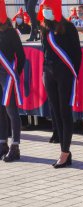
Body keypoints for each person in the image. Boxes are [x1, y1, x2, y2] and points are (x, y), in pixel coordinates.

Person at [38, 0, 82, 168]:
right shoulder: (43, 27)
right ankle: (65, 151)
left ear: (56, 8)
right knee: (55, 113)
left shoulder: (68, 27)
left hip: (65, 74)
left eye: (49, 8)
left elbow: (77, 54)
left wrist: (73, 74)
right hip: (49, 74)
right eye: (44, 9)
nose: (46, 11)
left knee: (65, 112)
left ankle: (65, 152)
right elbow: (45, 52)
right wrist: (44, 72)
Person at [0, 1, 26, 162]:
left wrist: (15, 75)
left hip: (7, 76)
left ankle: (15, 146)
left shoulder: (11, 32)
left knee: (12, 112)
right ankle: (2, 143)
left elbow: (21, 56)